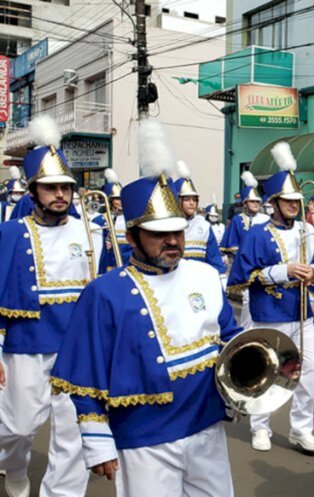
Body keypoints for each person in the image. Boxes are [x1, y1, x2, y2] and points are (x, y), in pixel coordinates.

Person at [49, 119, 243, 496]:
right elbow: (84, 374)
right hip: (143, 438)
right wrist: (97, 441)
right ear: (133, 236)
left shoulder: (204, 275)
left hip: (207, 425)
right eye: (159, 233)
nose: (172, 240)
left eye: (178, 231)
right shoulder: (104, 293)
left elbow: (230, 340)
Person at [0, 115, 93, 497]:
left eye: (66, 188)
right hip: (25, 343)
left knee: (75, 432)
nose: (60, 195)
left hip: (79, 346)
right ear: (34, 191)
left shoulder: (92, 230)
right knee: (18, 426)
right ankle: (13, 465)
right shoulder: (10, 232)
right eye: (51, 188)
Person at [227, 142, 314, 454]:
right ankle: (261, 427)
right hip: (269, 312)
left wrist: (313, 274)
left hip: (302, 312)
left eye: (297, 200)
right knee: (268, 372)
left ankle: (301, 429)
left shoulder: (308, 230)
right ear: (275, 202)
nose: (294, 205)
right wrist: (282, 271)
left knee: (309, 371)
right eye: (288, 200)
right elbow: (241, 278)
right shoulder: (257, 232)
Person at [219, 171, 270, 330]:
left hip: (263, 266)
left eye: (257, 201)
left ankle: (259, 328)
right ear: (245, 203)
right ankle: (246, 330)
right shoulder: (237, 220)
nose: (256, 204)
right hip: (244, 265)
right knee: (248, 298)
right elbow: (230, 245)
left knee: (262, 297)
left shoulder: (265, 220)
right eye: (252, 201)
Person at [173, 161, 226, 278]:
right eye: (187, 199)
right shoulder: (168, 225)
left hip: (198, 281)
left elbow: (213, 258)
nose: (192, 203)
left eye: (194, 199)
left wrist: (221, 278)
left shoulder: (204, 225)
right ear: (177, 200)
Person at [95, 168, 132, 274]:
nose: (120, 202)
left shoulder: (131, 218)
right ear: (109, 200)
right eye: (117, 199)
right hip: (108, 266)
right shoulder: (99, 220)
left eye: (122, 198)